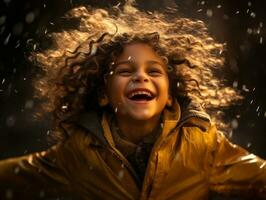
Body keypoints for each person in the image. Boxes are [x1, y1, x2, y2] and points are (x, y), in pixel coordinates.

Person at [0, 2, 265, 200]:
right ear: (103, 94)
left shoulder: (202, 145)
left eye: (154, 71)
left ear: (170, 95)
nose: (141, 77)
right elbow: (13, 176)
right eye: (125, 71)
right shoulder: (77, 154)